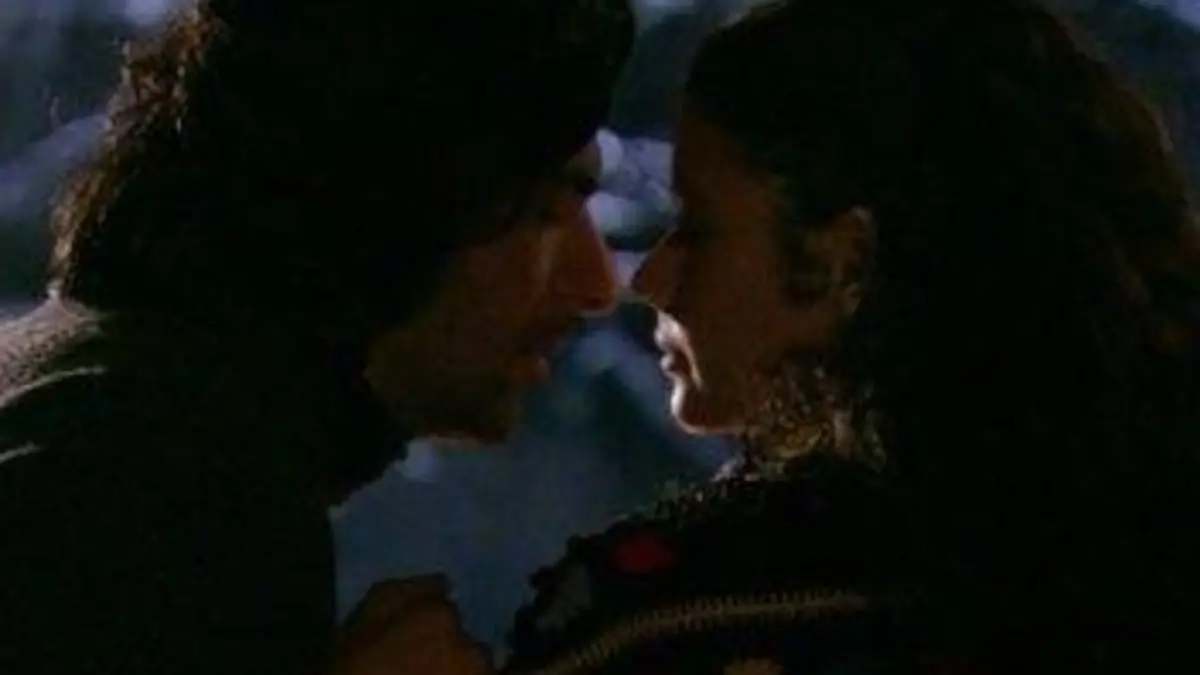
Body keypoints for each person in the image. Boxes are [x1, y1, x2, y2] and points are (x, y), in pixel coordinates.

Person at [503, 0, 1200, 672]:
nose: (652, 279)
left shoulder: (670, 622)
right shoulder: (1142, 568)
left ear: (843, 263)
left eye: (698, 228)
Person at [0, 0, 633, 673]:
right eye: (544, 212)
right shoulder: (162, 478)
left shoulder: (132, 408)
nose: (598, 284)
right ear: (399, 200)